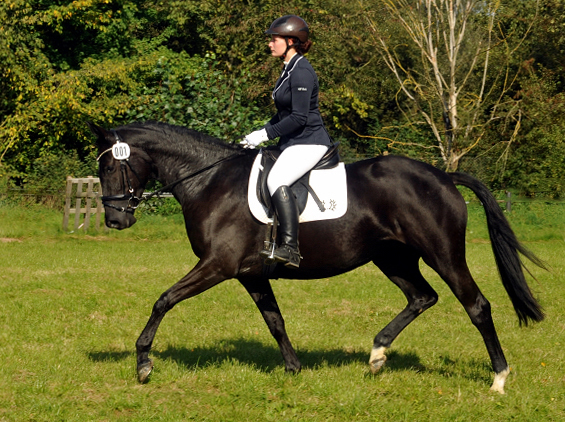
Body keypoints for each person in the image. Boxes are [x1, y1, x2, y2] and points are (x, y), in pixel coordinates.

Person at [241, 15, 332, 269]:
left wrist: (266, 135)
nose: (270, 44)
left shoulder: (301, 71)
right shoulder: (289, 68)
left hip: (310, 141)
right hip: (293, 142)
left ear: (291, 41)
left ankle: (290, 247)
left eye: (274, 39)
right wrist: (260, 132)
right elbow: (283, 114)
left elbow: (299, 118)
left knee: (276, 180)